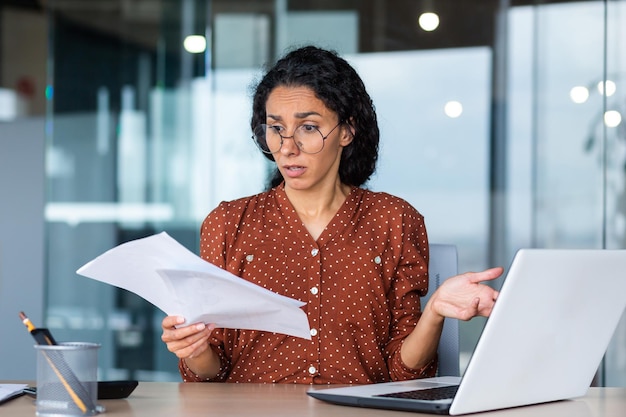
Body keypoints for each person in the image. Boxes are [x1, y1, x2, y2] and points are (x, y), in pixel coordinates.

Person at [161, 45, 502, 384]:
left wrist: (435, 311)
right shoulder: (228, 223)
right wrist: (193, 349)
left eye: (308, 127)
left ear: (347, 131)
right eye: (276, 128)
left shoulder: (393, 220)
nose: (288, 147)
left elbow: (401, 372)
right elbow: (212, 372)